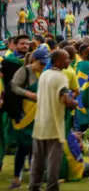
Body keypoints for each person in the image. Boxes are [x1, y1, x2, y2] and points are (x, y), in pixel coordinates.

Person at [29, 49, 78, 191]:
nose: (69, 61)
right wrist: (74, 103)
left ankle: (34, 186)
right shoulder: (61, 77)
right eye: (67, 58)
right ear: (58, 61)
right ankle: (51, 187)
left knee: (37, 159)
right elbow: (64, 98)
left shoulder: (44, 74)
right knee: (53, 160)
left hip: (40, 123)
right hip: (54, 125)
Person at [9, 46, 49, 190]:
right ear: (34, 60)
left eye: (46, 63)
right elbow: (14, 86)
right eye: (41, 63)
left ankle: (35, 180)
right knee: (22, 148)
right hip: (25, 115)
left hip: (41, 115)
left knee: (37, 148)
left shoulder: (45, 72)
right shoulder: (24, 71)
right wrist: (28, 94)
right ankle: (16, 179)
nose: (43, 66)